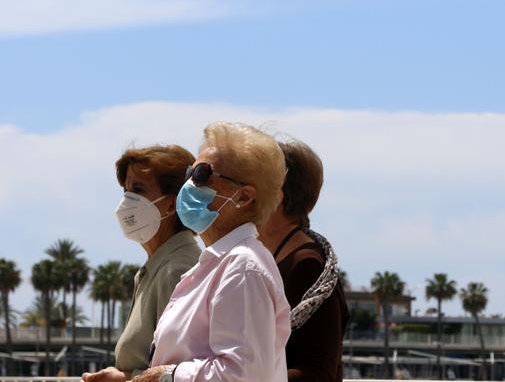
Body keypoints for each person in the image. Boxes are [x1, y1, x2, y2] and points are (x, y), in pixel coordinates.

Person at [134, 122, 291, 382]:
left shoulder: (242, 269)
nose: (188, 184)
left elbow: (244, 373)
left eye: (201, 174)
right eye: (190, 173)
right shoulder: (219, 264)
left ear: (244, 197)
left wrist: (168, 376)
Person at [83, 145, 201, 382]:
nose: (127, 201)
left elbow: (182, 372)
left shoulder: (177, 270)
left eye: (138, 190)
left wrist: (122, 379)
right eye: (126, 191)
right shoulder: (155, 268)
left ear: (172, 203)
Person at [258, 140, 349, 382]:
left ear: (276, 197)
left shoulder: (307, 266)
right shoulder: (276, 256)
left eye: (250, 185)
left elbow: (318, 372)